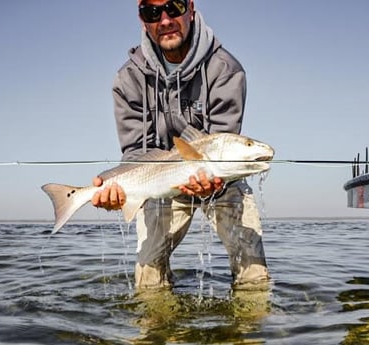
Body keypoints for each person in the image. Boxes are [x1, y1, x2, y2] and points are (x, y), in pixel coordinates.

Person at [91, 0, 268, 289]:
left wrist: (216, 180)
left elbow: (224, 142)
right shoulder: (127, 79)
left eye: (173, 7)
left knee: (254, 274)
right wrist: (122, 189)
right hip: (158, 182)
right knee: (148, 281)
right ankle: (155, 329)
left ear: (190, 8)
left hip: (220, 178)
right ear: (141, 18)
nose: (164, 20)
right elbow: (135, 152)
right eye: (152, 12)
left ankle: (250, 329)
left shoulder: (227, 69)